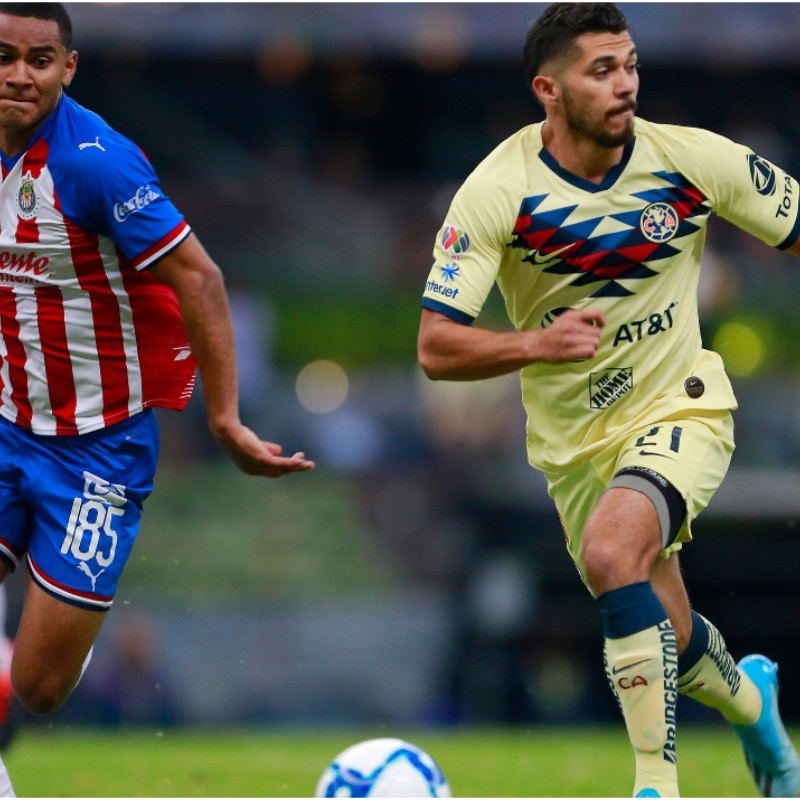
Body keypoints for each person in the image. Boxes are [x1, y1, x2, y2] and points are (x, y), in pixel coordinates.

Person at [418, 3, 800, 797]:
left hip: (681, 405)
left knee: (609, 551)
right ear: (548, 91)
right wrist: (536, 343)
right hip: (576, 448)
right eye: (602, 70)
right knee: (673, 637)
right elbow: (435, 347)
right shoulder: (499, 190)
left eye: (629, 64)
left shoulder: (691, 161)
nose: (625, 84)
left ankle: (654, 784)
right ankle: (753, 700)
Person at [0, 4, 314, 795]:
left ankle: (71, 628)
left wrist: (225, 417)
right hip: (6, 425)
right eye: (4, 56)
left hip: (101, 449)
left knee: (39, 687)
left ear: (68, 68)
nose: (18, 74)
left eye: (40, 58)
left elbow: (201, 279)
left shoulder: (97, 163)